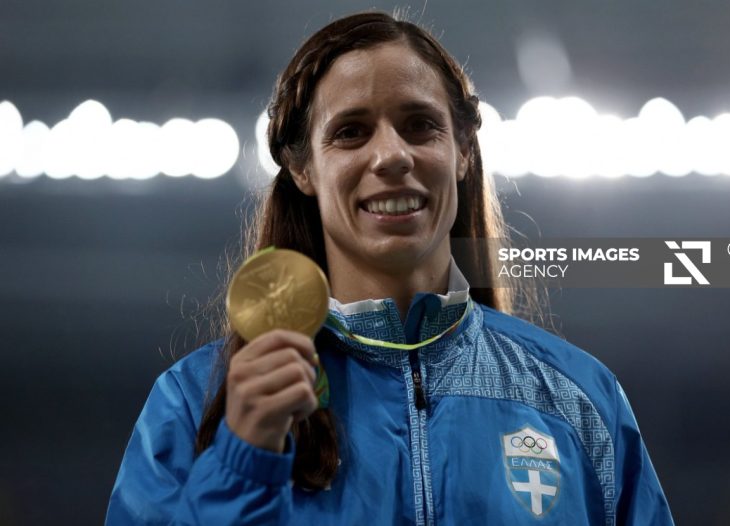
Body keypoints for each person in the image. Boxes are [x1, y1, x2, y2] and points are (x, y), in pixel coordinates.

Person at [106, 11, 674, 526]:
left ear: (463, 151)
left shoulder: (579, 400)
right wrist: (242, 463)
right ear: (302, 169)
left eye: (420, 124)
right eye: (351, 132)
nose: (392, 156)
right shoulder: (194, 404)